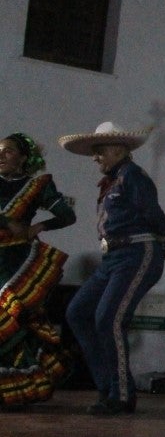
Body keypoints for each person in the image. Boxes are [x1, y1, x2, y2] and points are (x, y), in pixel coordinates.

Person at [58, 122, 165, 415]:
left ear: (120, 150)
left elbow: (152, 211)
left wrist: (164, 240)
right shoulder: (113, 180)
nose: (95, 157)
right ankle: (107, 386)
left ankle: (122, 394)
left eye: (100, 151)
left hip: (137, 252)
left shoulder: (133, 176)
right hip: (113, 258)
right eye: (94, 152)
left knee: (109, 318)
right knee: (78, 312)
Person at [0, 133, 77, 407]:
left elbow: (67, 215)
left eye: (8, 151)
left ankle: (18, 392)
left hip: (18, 263)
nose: (1, 156)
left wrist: (39, 227)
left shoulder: (37, 185)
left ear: (23, 157)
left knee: (16, 321)